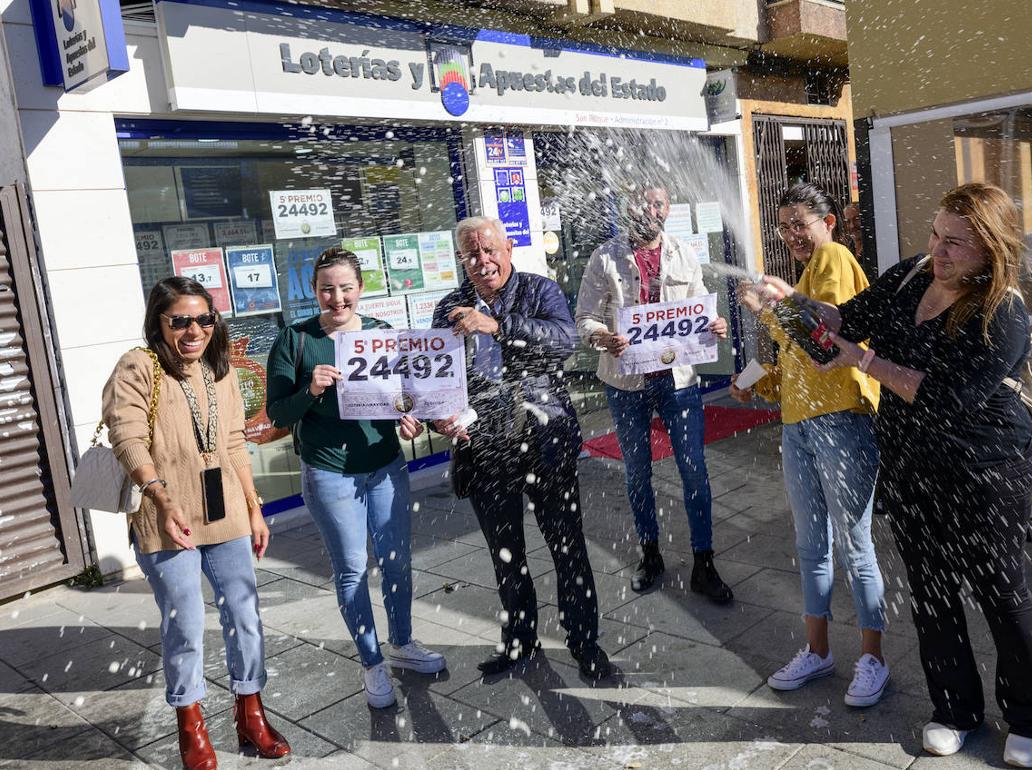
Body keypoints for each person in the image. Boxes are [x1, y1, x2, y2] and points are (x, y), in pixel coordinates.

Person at [756, 183, 1032, 767]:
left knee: (1000, 590)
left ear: (992, 249)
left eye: (955, 243)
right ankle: (954, 709)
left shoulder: (1004, 312)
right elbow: (845, 319)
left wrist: (863, 360)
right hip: (911, 464)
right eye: (934, 235)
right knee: (930, 588)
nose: (938, 252)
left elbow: (944, 397)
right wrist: (794, 307)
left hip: (983, 467)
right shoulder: (910, 277)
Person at [103, 277, 290, 770]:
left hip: (224, 509)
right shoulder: (138, 367)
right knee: (185, 624)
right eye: (180, 320)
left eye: (204, 319)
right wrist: (161, 498)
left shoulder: (220, 369)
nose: (193, 330)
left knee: (245, 615)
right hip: (165, 516)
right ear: (158, 323)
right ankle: (191, 726)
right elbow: (127, 440)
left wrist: (254, 506)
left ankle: (250, 712)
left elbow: (232, 444)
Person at [432, 216, 612, 680]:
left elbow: (563, 344)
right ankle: (520, 638)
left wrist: (496, 326)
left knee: (567, 546)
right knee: (505, 551)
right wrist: (438, 412)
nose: (482, 260)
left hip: (544, 436)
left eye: (489, 250)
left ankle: (583, 640)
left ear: (508, 248)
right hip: (484, 443)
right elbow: (440, 377)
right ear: (461, 259)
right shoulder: (449, 306)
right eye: (472, 254)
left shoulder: (540, 289)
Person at [732, 183, 890, 706]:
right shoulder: (801, 275)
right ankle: (818, 651)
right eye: (784, 226)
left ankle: (873, 658)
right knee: (810, 544)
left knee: (855, 543)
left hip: (842, 419)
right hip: (798, 425)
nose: (793, 235)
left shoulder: (835, 257)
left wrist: (762, 309)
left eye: (801, 223)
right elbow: (797, 366)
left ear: (828, 224)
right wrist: (756, 381)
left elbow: (823, 336)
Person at [266, 248, 445, 710]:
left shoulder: (382, 335)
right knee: (350, 569)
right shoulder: (296, 339)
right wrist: (311, 389)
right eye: (327, 288)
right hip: (330, 472)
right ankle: (372, 663)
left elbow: (404, 397)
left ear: (360, 288)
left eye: (346, 287)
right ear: (314, 291)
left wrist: (410, 422)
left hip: (384, 465)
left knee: (397, 561)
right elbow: (277, 412)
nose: (337, 297)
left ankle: (402, 643)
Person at [574, 180, 733, 603]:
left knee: (694, 471)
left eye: (658, 203)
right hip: (626, 383)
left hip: (677, 382)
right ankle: (650, 555)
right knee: (638, 472)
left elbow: (699, 306)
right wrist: (603, 337)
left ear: (667, 210)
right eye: (643, 203)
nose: (650, 210)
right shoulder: (604, 257)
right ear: (628, 209)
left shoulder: (683, 253)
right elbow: (584, 317)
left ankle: (704, 562)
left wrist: (715, 325)